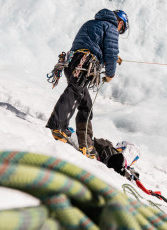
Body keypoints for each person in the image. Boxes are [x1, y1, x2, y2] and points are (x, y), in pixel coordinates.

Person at [46, 9, 129, 159]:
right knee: (74, 92)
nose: (119, 31)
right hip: (84, 64)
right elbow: (110, 51)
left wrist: (108, 58)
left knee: (86, 104)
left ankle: (86, 143)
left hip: (72, 62)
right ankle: (56, 126)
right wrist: (110, 73)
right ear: (120, 22)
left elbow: (92, 44)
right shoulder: (111, 27)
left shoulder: (92, 23)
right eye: (121, 29)